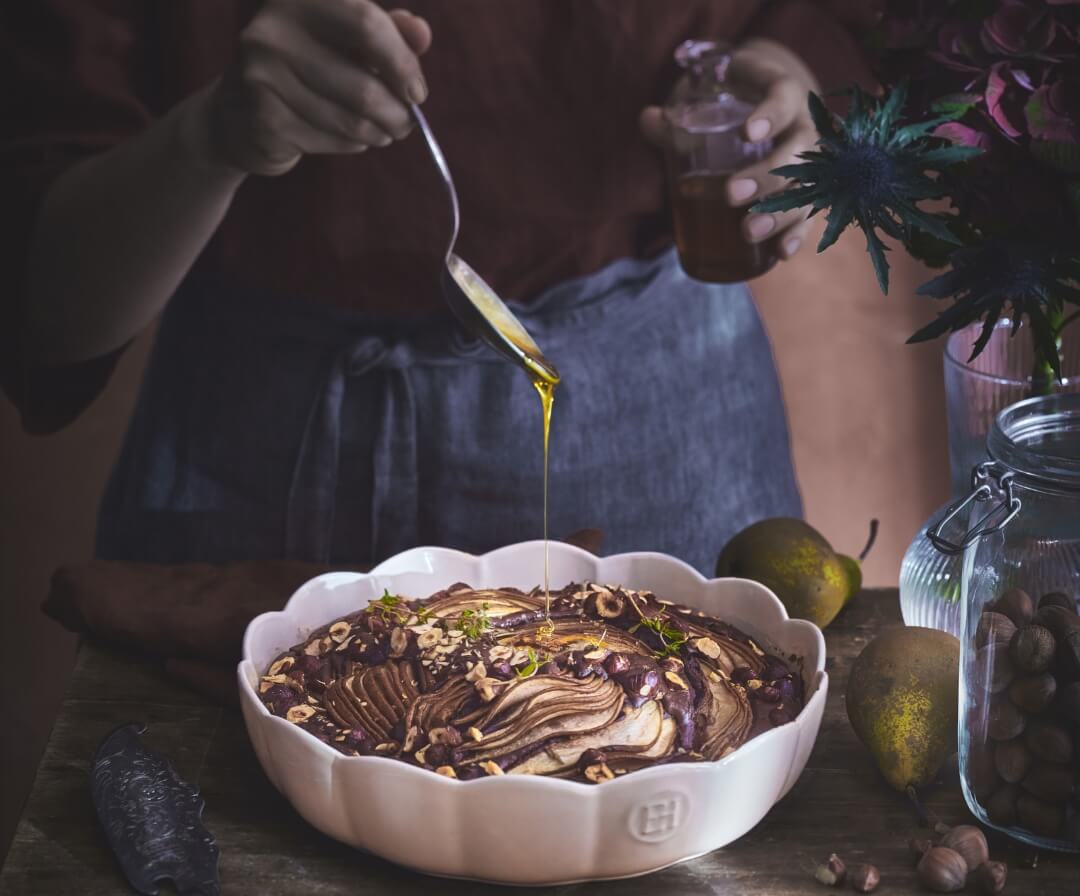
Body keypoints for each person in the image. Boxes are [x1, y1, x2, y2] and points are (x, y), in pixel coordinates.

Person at [2, 1, 872, 574]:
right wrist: (209, 139)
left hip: (658, 425)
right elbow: (53, 306)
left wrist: (787, 66)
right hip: (252, 457)